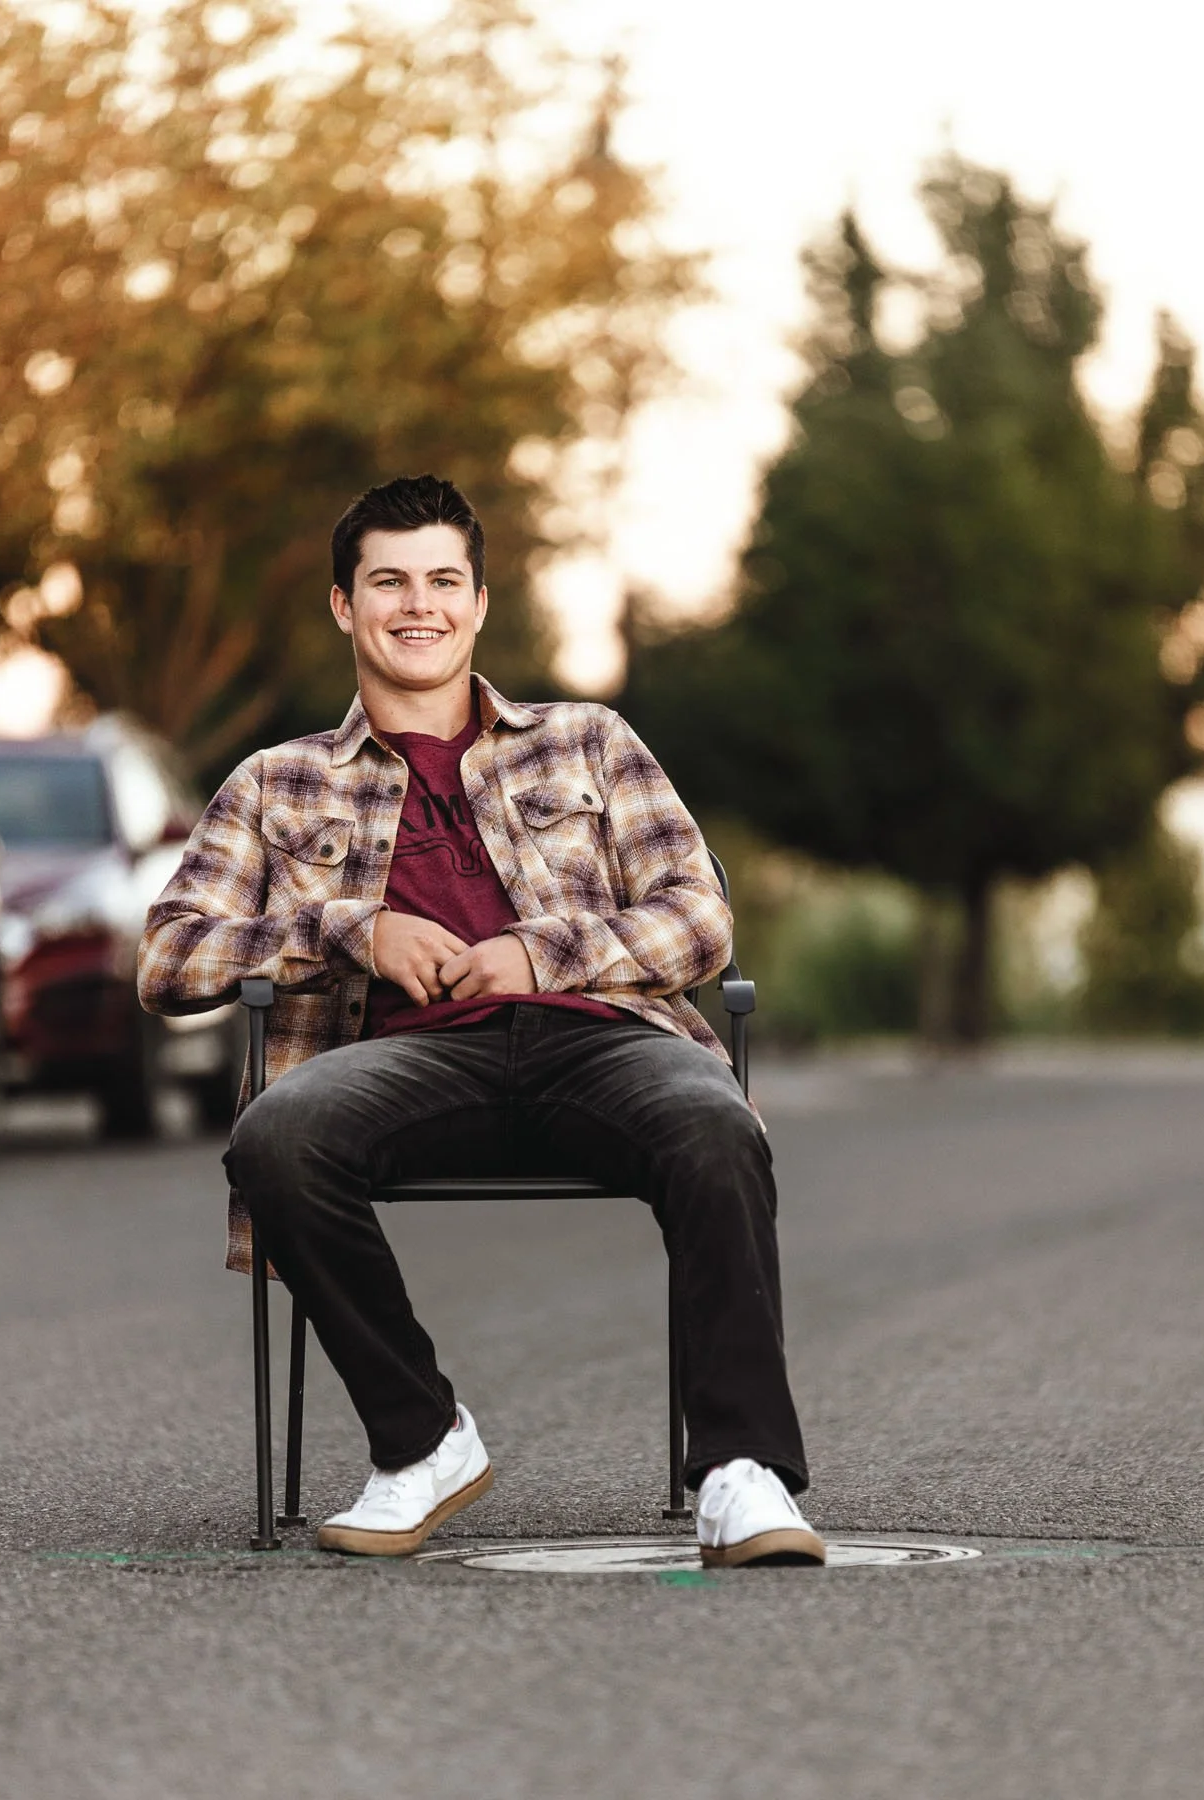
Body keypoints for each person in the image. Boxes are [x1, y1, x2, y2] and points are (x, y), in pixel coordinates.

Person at [138, 474, 822, 1569]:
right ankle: (423, 1445)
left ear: (479, 602)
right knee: (276, 1136)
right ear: (342, 606)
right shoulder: (277, 782)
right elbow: (169, 957)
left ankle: (741, 1476)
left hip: (601, 1041)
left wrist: (538, 950)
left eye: (444, 580)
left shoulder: (588, 741)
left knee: (714, 1125)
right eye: (390, 582)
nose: (420, 605)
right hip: (400, 1064)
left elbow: (699, 921)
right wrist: (347, 928)